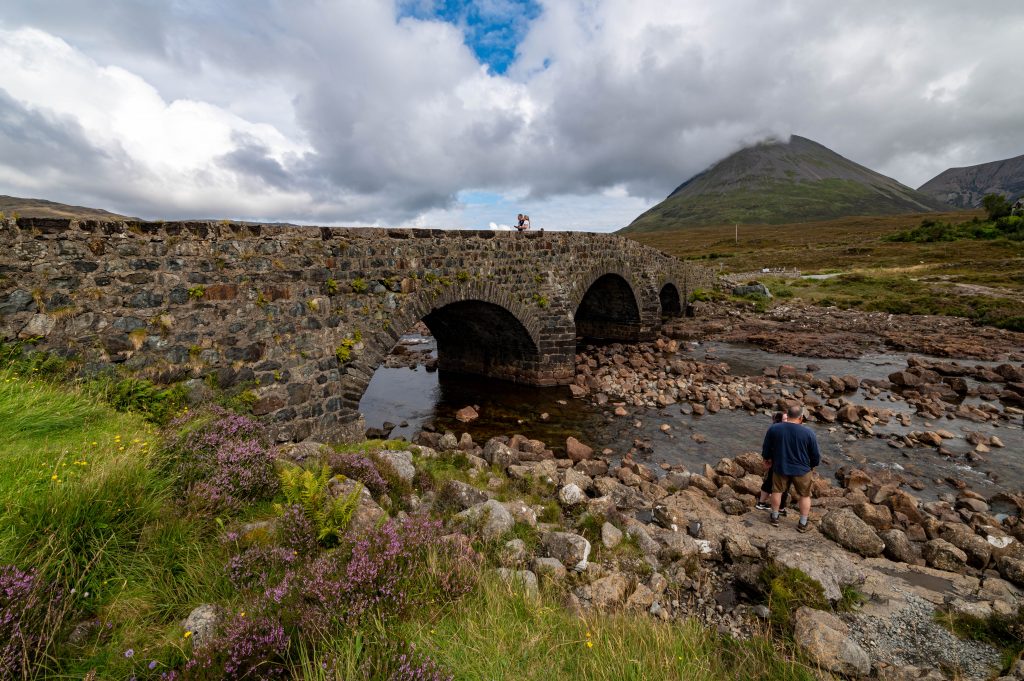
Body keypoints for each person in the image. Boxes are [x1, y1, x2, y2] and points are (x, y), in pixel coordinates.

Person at [761, 403, 821, 532]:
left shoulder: (775, 428)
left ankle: (775, 516)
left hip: (780, 466)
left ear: (787, 415)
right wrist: (812, 465)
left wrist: (767, 459)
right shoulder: (809, 433)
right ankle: (802, 523)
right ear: (801, 418)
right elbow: (815, 454)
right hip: (802, 470)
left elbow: (766, 447)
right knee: (804, 496)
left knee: (777, 491)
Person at [756, 411, 791, 514]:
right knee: (781, 485)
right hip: (778, 461)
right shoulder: (777, 429)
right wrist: (767, 458)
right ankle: (779, 508)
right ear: (779, 420)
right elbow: (767, 445)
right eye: (785, 419)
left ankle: (762, 503)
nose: (787, 421)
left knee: (771, 482)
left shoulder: (776, 429)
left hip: (777, 460)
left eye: (788, 418)